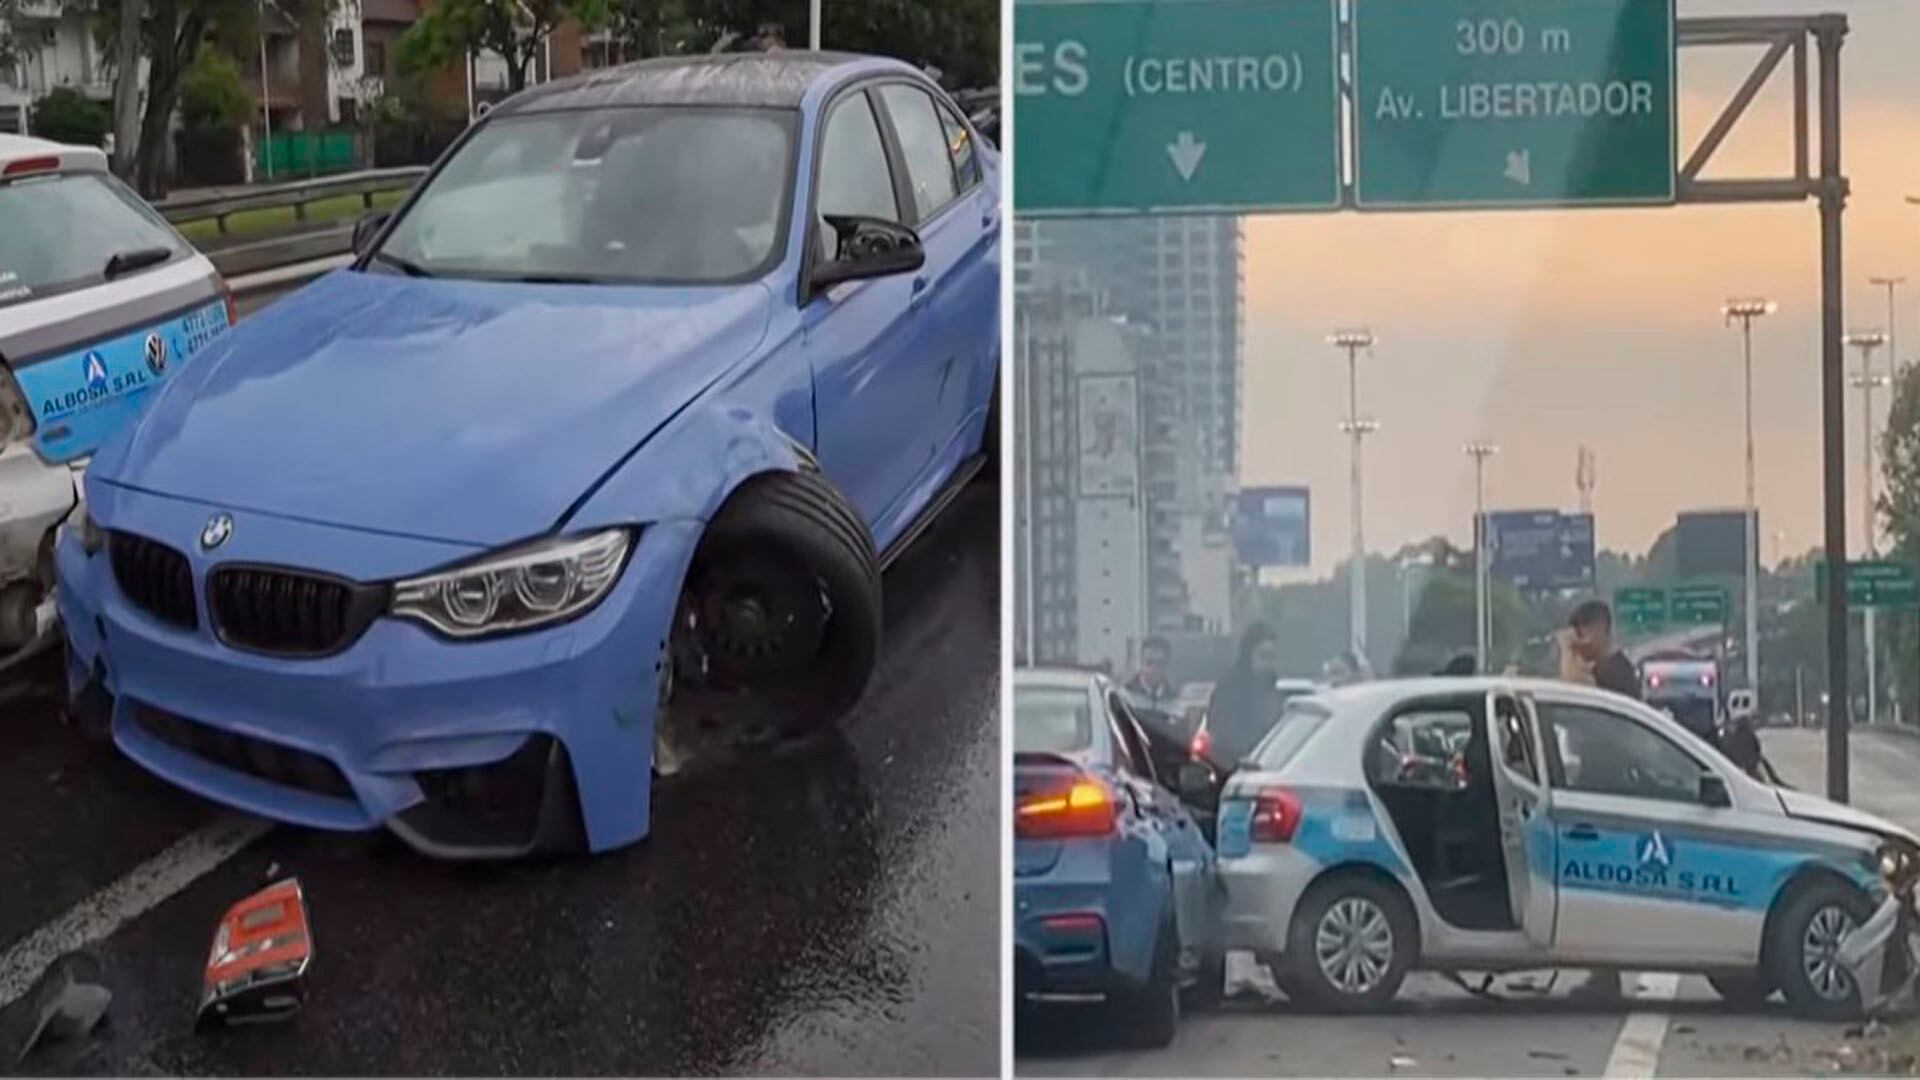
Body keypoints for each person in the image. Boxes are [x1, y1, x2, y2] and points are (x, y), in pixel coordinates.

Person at [1206, 623, 1286, 766]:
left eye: (1272, 657)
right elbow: (1220, 732)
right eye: (1263, 656)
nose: (1268, 663)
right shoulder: (1229, 688)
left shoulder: (1273, 690)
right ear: (1248, 655)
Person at [1568, 601, 1640, 701]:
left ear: (1601, 626)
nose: (1578, 640)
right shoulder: (1603, 669)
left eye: (1581, 635)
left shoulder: (1614, 674)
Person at [1124, 637, 1177, 709]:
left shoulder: (1174, 700)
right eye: (1149, 663)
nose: (1154, 669)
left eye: (1160, 663)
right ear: (1141, 664)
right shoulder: (1125, 697)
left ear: (1167, 666)